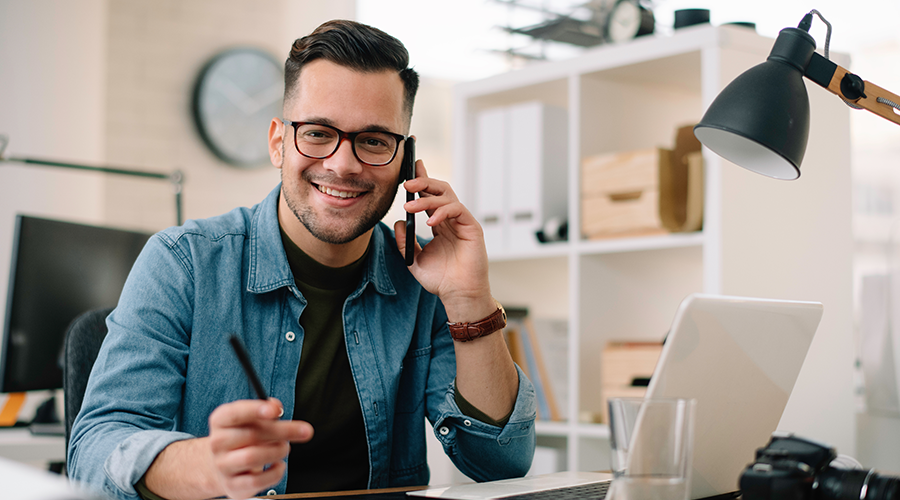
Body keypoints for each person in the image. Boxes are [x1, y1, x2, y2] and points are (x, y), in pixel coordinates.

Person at [68, 19, 536, 500]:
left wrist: (470, 299)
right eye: (317, 133)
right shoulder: (182, 264)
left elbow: (501, 461)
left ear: (404, 160)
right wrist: (205, 465)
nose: (343, 164)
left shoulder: (424, 279)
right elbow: (91, 452)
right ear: (277, 142)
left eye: (374, 140)